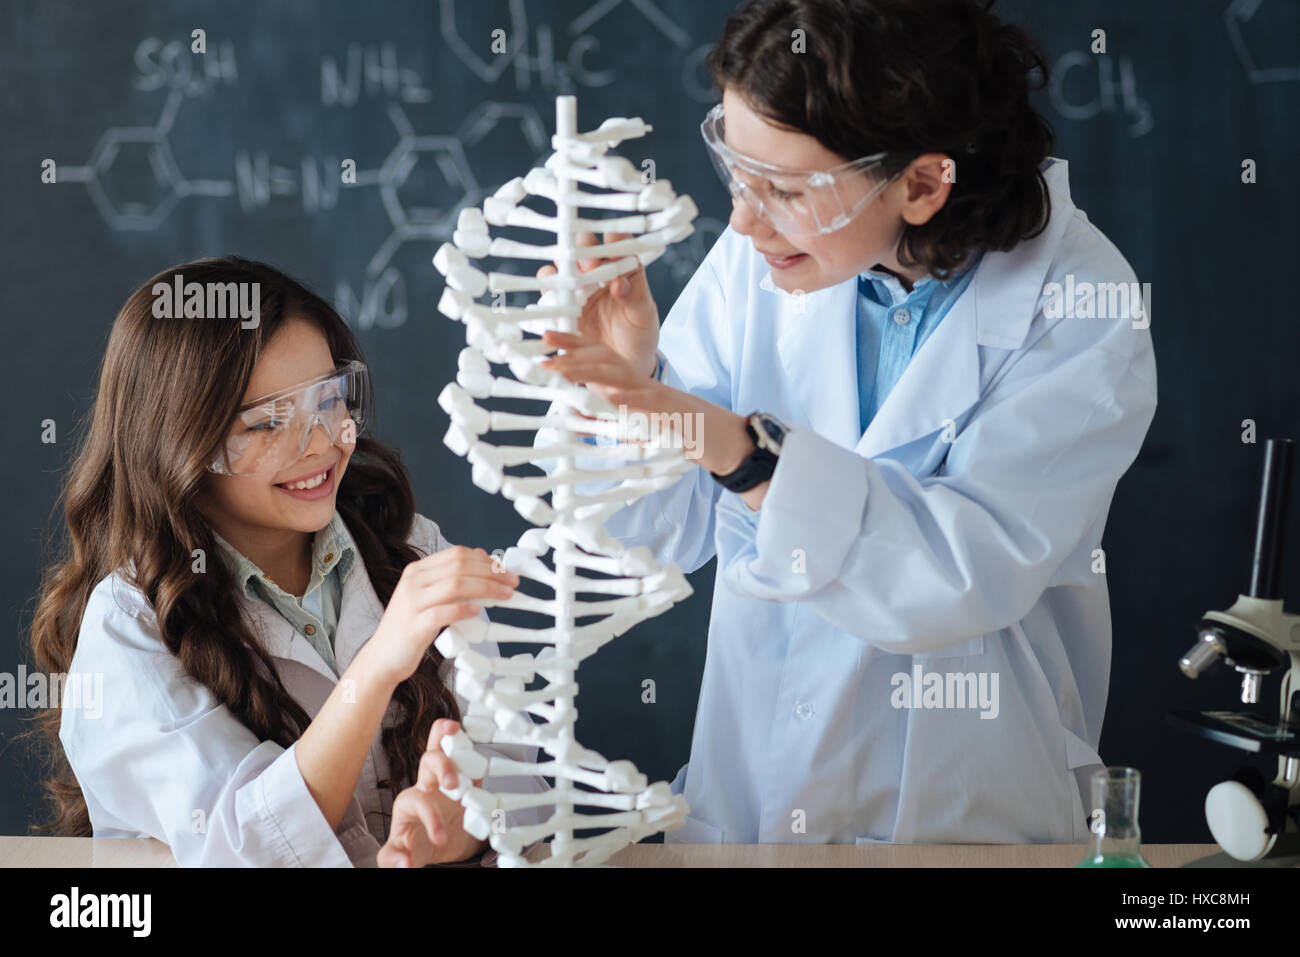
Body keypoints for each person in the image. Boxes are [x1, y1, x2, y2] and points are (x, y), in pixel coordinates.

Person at [535, 0, 1157, 843]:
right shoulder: (766, 254)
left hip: (963, 821)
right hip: (750, 808)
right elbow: (650, 539)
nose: (745, 221)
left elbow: (958, 574)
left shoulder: (1081, 307)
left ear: (924, 182)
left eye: (786, 189)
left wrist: (746, 455)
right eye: (739, 174)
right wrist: (635, 381)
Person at [26, 257, 544, 866]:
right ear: (179, 442)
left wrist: (454, 824)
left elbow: (518, 775)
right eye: (270, 422)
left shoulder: (411, 548)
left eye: (329, 400)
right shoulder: (131, 626)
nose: (322, 442)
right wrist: (377, 666)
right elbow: (239, 845)